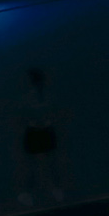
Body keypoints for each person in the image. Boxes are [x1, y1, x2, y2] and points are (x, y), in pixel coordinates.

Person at [15, 67, 66, 207]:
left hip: (43, 130)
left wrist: (47, 121)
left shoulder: (46, 95)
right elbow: (22, 115)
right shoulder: (29, 97)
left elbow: (55, 111)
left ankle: (54, 191)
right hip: (35, 131)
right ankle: (28, 193)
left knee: (49, 162)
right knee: (35, 164)